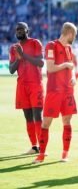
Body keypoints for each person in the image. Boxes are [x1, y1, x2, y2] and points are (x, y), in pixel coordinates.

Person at [33, 22, 78, 163]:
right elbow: (51, 68)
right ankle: (41, 155)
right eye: (74, 35)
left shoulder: (69, 49)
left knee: (67, 121)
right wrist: (65, 65)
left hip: (68, 91)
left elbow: (71, 68)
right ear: (69, 33)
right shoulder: (51, 46)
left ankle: (65, 154)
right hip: (54, 91)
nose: (74, 38)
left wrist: (72, 77)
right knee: (46, 123)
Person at [9, 22, 44, 154]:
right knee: (28, 117)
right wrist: (18, 58)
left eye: (21, 29)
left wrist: (24, 56)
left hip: (35, 84)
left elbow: (41, 63)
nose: (18, 31)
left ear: (27, 30)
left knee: (37, 116)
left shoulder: (35, 43)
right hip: (22, 86)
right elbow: (12, 70)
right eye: (16, 30)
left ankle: (42, 146)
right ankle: (34, 146)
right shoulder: (13, 48)